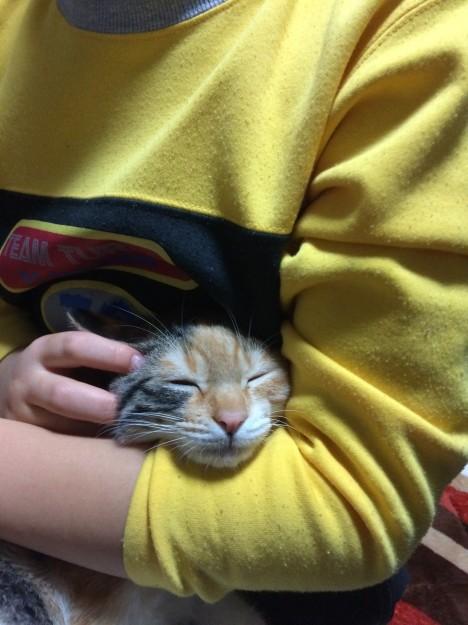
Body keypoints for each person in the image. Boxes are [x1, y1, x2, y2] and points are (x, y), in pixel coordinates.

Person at [0, 0, 467, 623]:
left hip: (286, 584)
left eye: (252, 379)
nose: (229, 412)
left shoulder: (403, 34)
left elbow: (348, 506)